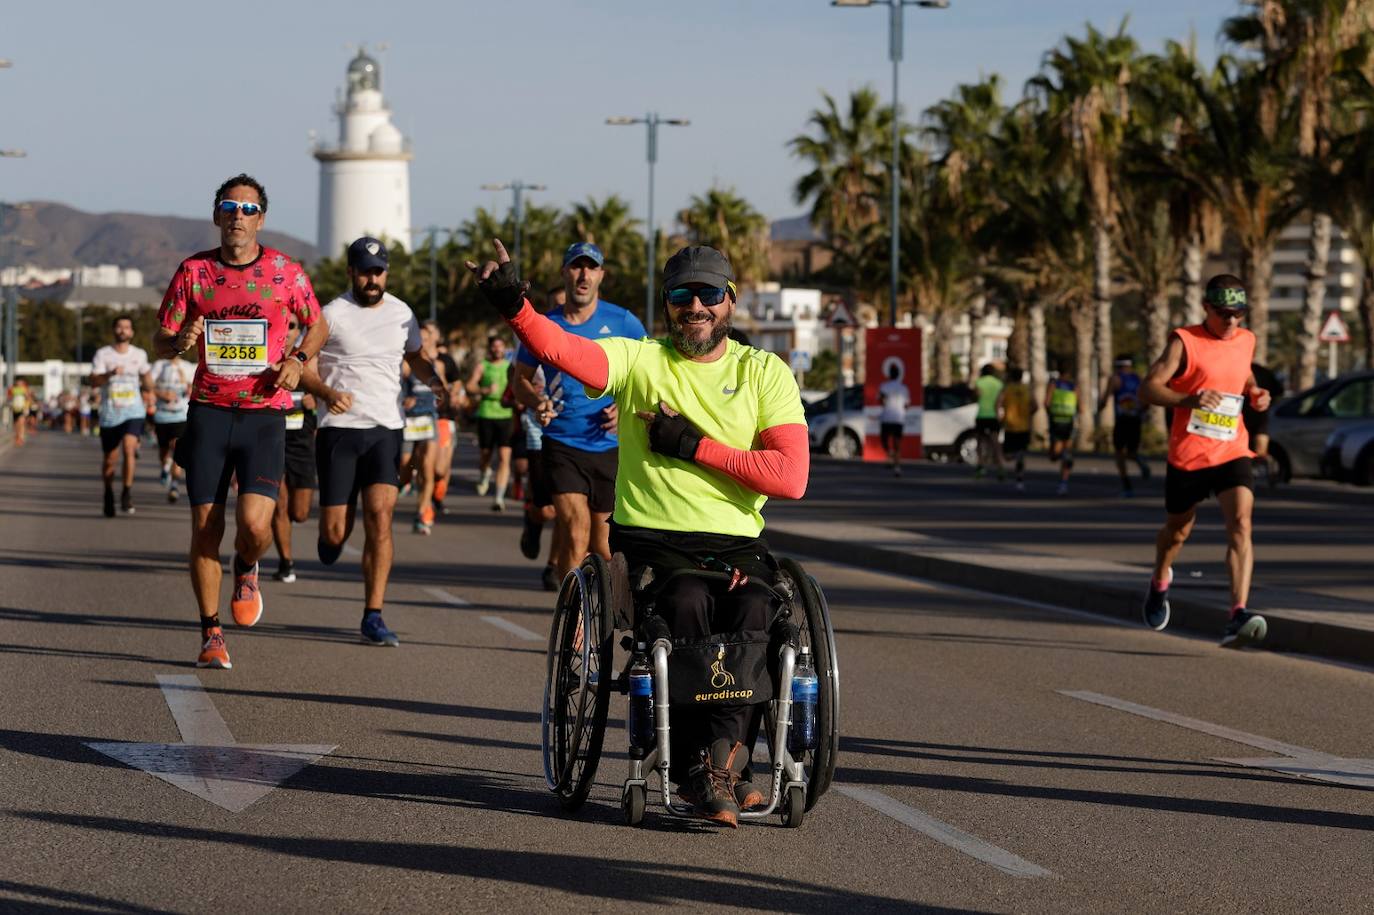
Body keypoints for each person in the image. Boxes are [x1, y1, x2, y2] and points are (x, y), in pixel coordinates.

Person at [467, 240, 809, 829]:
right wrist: (515, 307)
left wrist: (692, 446)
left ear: (730, 301)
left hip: (736, 544)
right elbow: (562, 349)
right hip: (656, 544)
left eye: (707, 294)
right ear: (667, 303)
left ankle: (725, 765)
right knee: (686, 604)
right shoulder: (639, 360)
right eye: (682, 295)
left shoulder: (764, 372)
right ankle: (703, 769)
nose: (695, 306)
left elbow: (791, 477)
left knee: (757, 609)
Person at [154, 173, 326, 670]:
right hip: (208, 410)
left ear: (262, 219)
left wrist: (297, 358)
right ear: (216, 216)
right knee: (205, 527)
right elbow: (160, 339)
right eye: (230, 207)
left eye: (249, 209)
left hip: (263, 413)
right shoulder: (194, 273)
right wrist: (179, 341)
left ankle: (247, 565)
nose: (238, 216)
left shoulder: (284, 272)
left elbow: (318, 323)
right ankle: (211, 632)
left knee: (255, 523)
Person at [310, 236, 449, 647]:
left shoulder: (402, 313)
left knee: (381, 518)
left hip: (386, 429)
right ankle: (331, 537)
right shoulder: (331, 314)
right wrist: (326, 393)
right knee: (336, 533)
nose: (373, 279)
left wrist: (435, 383)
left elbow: (416, 357)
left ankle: (373, 614)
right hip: (339, 431)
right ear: (351, 272)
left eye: (379, 271)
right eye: (365, 271)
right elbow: (303, 365)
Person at [1140, 274, 1272, 649]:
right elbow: (1148, 388)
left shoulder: (1246, 339)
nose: (1232, 321)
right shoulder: (1185, 341)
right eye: (1224, 313)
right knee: (1177, 532)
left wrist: (1255, 392)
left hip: (1232, 449)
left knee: (1242, 523)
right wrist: (1189, 400)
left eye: (1239, 314)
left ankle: (1237, 614)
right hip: (1189, 455)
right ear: (1207, 309)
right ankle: (1160, 578)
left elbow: (1242, 372)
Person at [513, 242, 644, 582]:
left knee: (603, 543)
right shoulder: (544, 325)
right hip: (561, 441)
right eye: (576, 267)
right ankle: (572, 617)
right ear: (565, 273)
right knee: (575, 529)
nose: (583, 275)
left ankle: (602, 610)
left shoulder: (624, 322)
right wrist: (536, 401)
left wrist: (624, 404)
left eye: (591, 268)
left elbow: (648, 376)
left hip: (609, 446)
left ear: (601, 275)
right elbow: (520, 381)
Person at [271, 316, 320, 583]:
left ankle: (281, 529)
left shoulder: (309, 358)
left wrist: (317, 396)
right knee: (279, 503)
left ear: (300, 331)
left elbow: (325, 388)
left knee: (299, 513)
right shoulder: (267, 352)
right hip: (273, 436)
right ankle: (286, 561)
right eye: (284, 324)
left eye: (292, 326)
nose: (287, 331)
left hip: (302, 439)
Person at [90, 315, 152, 516]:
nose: (123, 330)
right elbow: (94, 381)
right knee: (110, 459)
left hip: (134, 410)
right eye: (120, 327)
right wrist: (110, 374)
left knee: (129, 446)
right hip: (110, 413)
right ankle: (108, 493)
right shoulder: (103, 354)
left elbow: (148, 381)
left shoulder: (140, 354)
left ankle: (126, 492)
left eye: (127, 327)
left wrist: (148, 380)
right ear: (114, 330)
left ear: (132, 332)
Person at [399, 329, 441, 535]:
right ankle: (407, 483)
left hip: (428, 418)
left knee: (427, 467)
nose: (422, 343)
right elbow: (396, 387)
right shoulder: (406, 365)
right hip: (409, 420)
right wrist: (404, 400)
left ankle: (423, 512)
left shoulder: (437, 365)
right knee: (404, 469)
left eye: (426, 339)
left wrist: (444, 393)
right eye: (420, 339)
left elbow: (445, 388)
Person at [467, 334, 515, 511]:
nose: (497, 349)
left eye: (500, 346)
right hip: (487, 412)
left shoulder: (510, 366)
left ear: (504, 348)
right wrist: (484, 389)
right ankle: (484, 472)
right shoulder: (483, 366)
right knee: (486, 455)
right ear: (490, 349)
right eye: (494, 346)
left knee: (504, 457)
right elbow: (469, 386)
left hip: (506, 414)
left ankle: (499, 497)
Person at [1102, 354, 1151, 497]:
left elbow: (1105, 398)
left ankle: (1127, 487)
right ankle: (1139, 460)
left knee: (1119, 453)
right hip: (1136, 420)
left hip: (1122, 420)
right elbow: (1146, 399)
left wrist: (1101, 406)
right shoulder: (1138, 378)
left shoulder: (1115, 378)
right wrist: (1141, 411)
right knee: (1131, 452)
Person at [429, 334, 465, 517]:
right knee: (425, 464)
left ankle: (437, 496)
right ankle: (426, 504)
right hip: (421, 417)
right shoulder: (412, 358)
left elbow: (457, 383)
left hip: (444, 417)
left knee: (440, 468)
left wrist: (454, 395)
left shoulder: (445, 361)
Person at [149, 351, 193, 502]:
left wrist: (188, 386)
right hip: (162, 415)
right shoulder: (159, 365)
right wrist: (162, 394)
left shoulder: (187, 367)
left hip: (181, 415)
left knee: (176, 447)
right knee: (164, 451)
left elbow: (192, 387)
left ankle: (174, 485)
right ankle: (164, 467)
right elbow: (149, 386)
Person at [1244, 361, 1283, 489]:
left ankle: (1269, 473)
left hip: (1255, 418)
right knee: (1256, 451)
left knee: (1259, 452)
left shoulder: (1259, 371)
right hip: (1255, 418)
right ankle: (1259, 474)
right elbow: (1279, 391)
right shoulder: (1260, 371)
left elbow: (1278, 391)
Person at [996, 367, 1034, 491]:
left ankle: (1018, 473)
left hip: (1010, 425)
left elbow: (998, 404)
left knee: (1007, 454)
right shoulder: (1027, 390)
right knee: (1021, 453)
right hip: (1024, 426)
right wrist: (1029, 415)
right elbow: (1036, 406)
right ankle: (1020, 479)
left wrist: (999, 417)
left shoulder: (1007, 389)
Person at [1045, 361, 1077, 496]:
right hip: (1069, 422)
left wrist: (1050, 413)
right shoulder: (1073, 386)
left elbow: (1046, 402)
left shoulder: (1054, 384)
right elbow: (1080, 406)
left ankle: (1061, 456)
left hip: (1056, 421)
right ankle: (1064, 483)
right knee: (1067, 451)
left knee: (1054, 454)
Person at [877, 363, 910, 477]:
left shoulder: (884, 386)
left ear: (889, 374)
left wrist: (887, 403)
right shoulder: (904, 388)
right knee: (897, 444)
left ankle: (890, 455)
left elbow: (880, 401)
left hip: (887, 417)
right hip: (899, 418)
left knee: (884, 440)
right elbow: (907, 405)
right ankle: (897, 467)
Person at [972, 364, 1004, 480]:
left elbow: (977, 396)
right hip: (993, 416)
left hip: (981, 415)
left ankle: (980, 467)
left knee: (980, 442)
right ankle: (1000, 467)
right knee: (996, 443)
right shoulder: (998, 384)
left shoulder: (979, 382)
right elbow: (1000, 401)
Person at [7, 377, 33, 447]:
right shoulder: (12, 389)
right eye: (18, 382)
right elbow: (9, 398)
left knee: (21, 423)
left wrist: (27, 407)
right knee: (16, 424)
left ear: (24, 383)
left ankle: (20, 438)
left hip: (22, 408)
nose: (19, 384)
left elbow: (29, 399)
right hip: (15, 408)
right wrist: (10, 404)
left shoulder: (26, 389)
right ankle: (17, 436)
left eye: (21, 383)